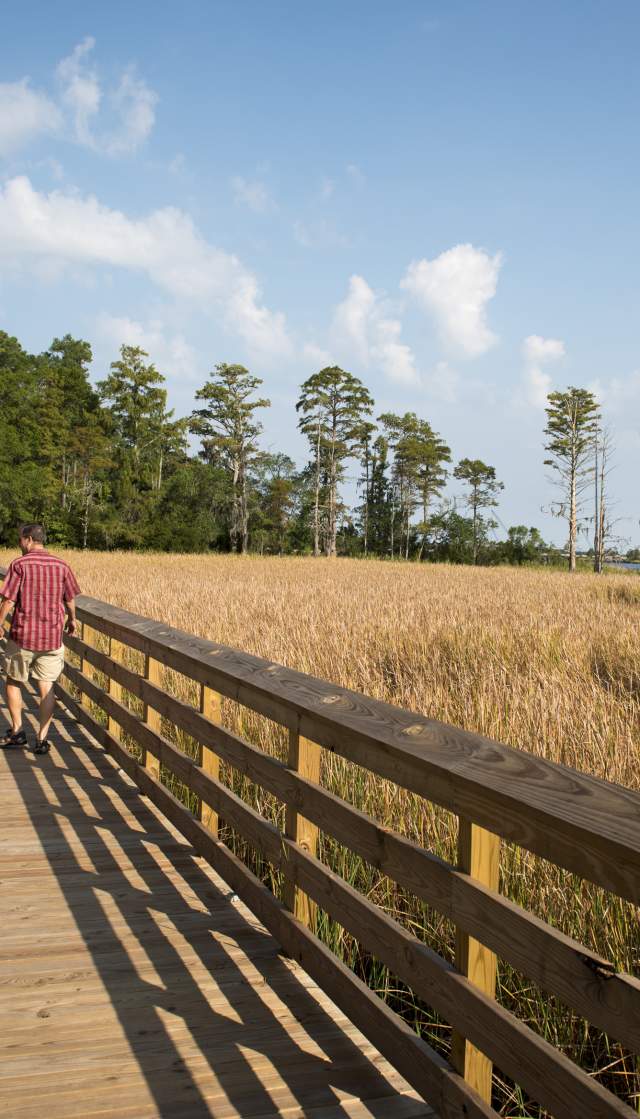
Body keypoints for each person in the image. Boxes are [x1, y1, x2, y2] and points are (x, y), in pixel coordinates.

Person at [0, 524, 80, 754]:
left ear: (28, 540)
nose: (19, 543)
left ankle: (17, 732)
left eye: (19, 539)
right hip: (52, 638)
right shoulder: (62, 565)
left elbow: (8, 601)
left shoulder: (19, 564)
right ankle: (42, 738)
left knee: (14, 681)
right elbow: (70, 599)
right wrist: (73, 619)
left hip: (23, 636)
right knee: (47, 687)